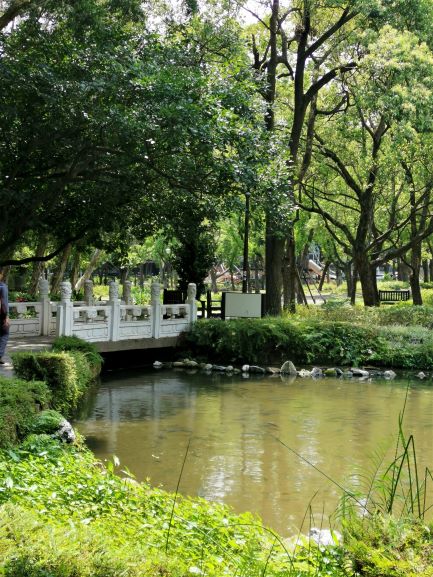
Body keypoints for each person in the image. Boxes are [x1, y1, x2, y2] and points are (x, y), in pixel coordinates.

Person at [0, 267, 10, 364]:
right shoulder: (2, 286)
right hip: (1, 315)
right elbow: (4, 303)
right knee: (4, 334)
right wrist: (6, 316)